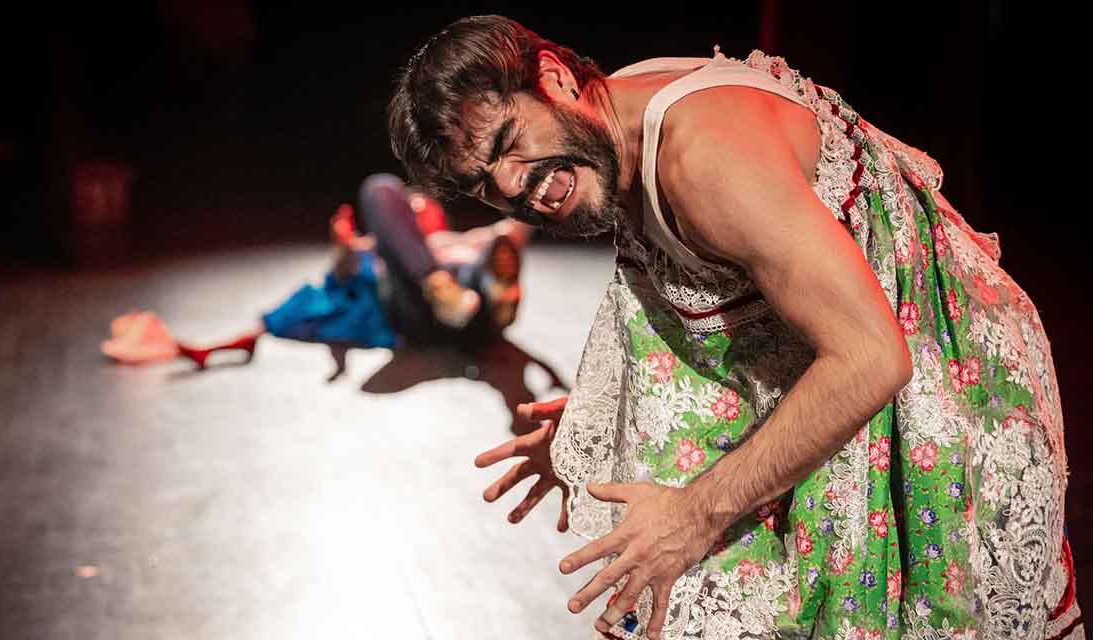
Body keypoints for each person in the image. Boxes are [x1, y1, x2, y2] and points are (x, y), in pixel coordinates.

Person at [388, 15, 1080, 640]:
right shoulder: (614, 120)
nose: (511, 187)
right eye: (483, 182)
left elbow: (871, 357)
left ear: (555, 77)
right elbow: (739, 307)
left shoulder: (703, 158)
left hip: (944, 382)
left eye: (509, 142)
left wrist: (694, 516)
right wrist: (597, 424)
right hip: (858, 344)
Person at [102, 173, 531, 368]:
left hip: (471, 312)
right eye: (411, 210)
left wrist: (522, 203)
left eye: (423, 207)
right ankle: (455, 294)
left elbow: (513, 232)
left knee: (485, 265)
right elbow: (332, 287)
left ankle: (490, 300)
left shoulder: (462, 241)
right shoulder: (381, 251)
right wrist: (344, 247)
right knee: (380, 188)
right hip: (415, 313)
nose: (418, 209)